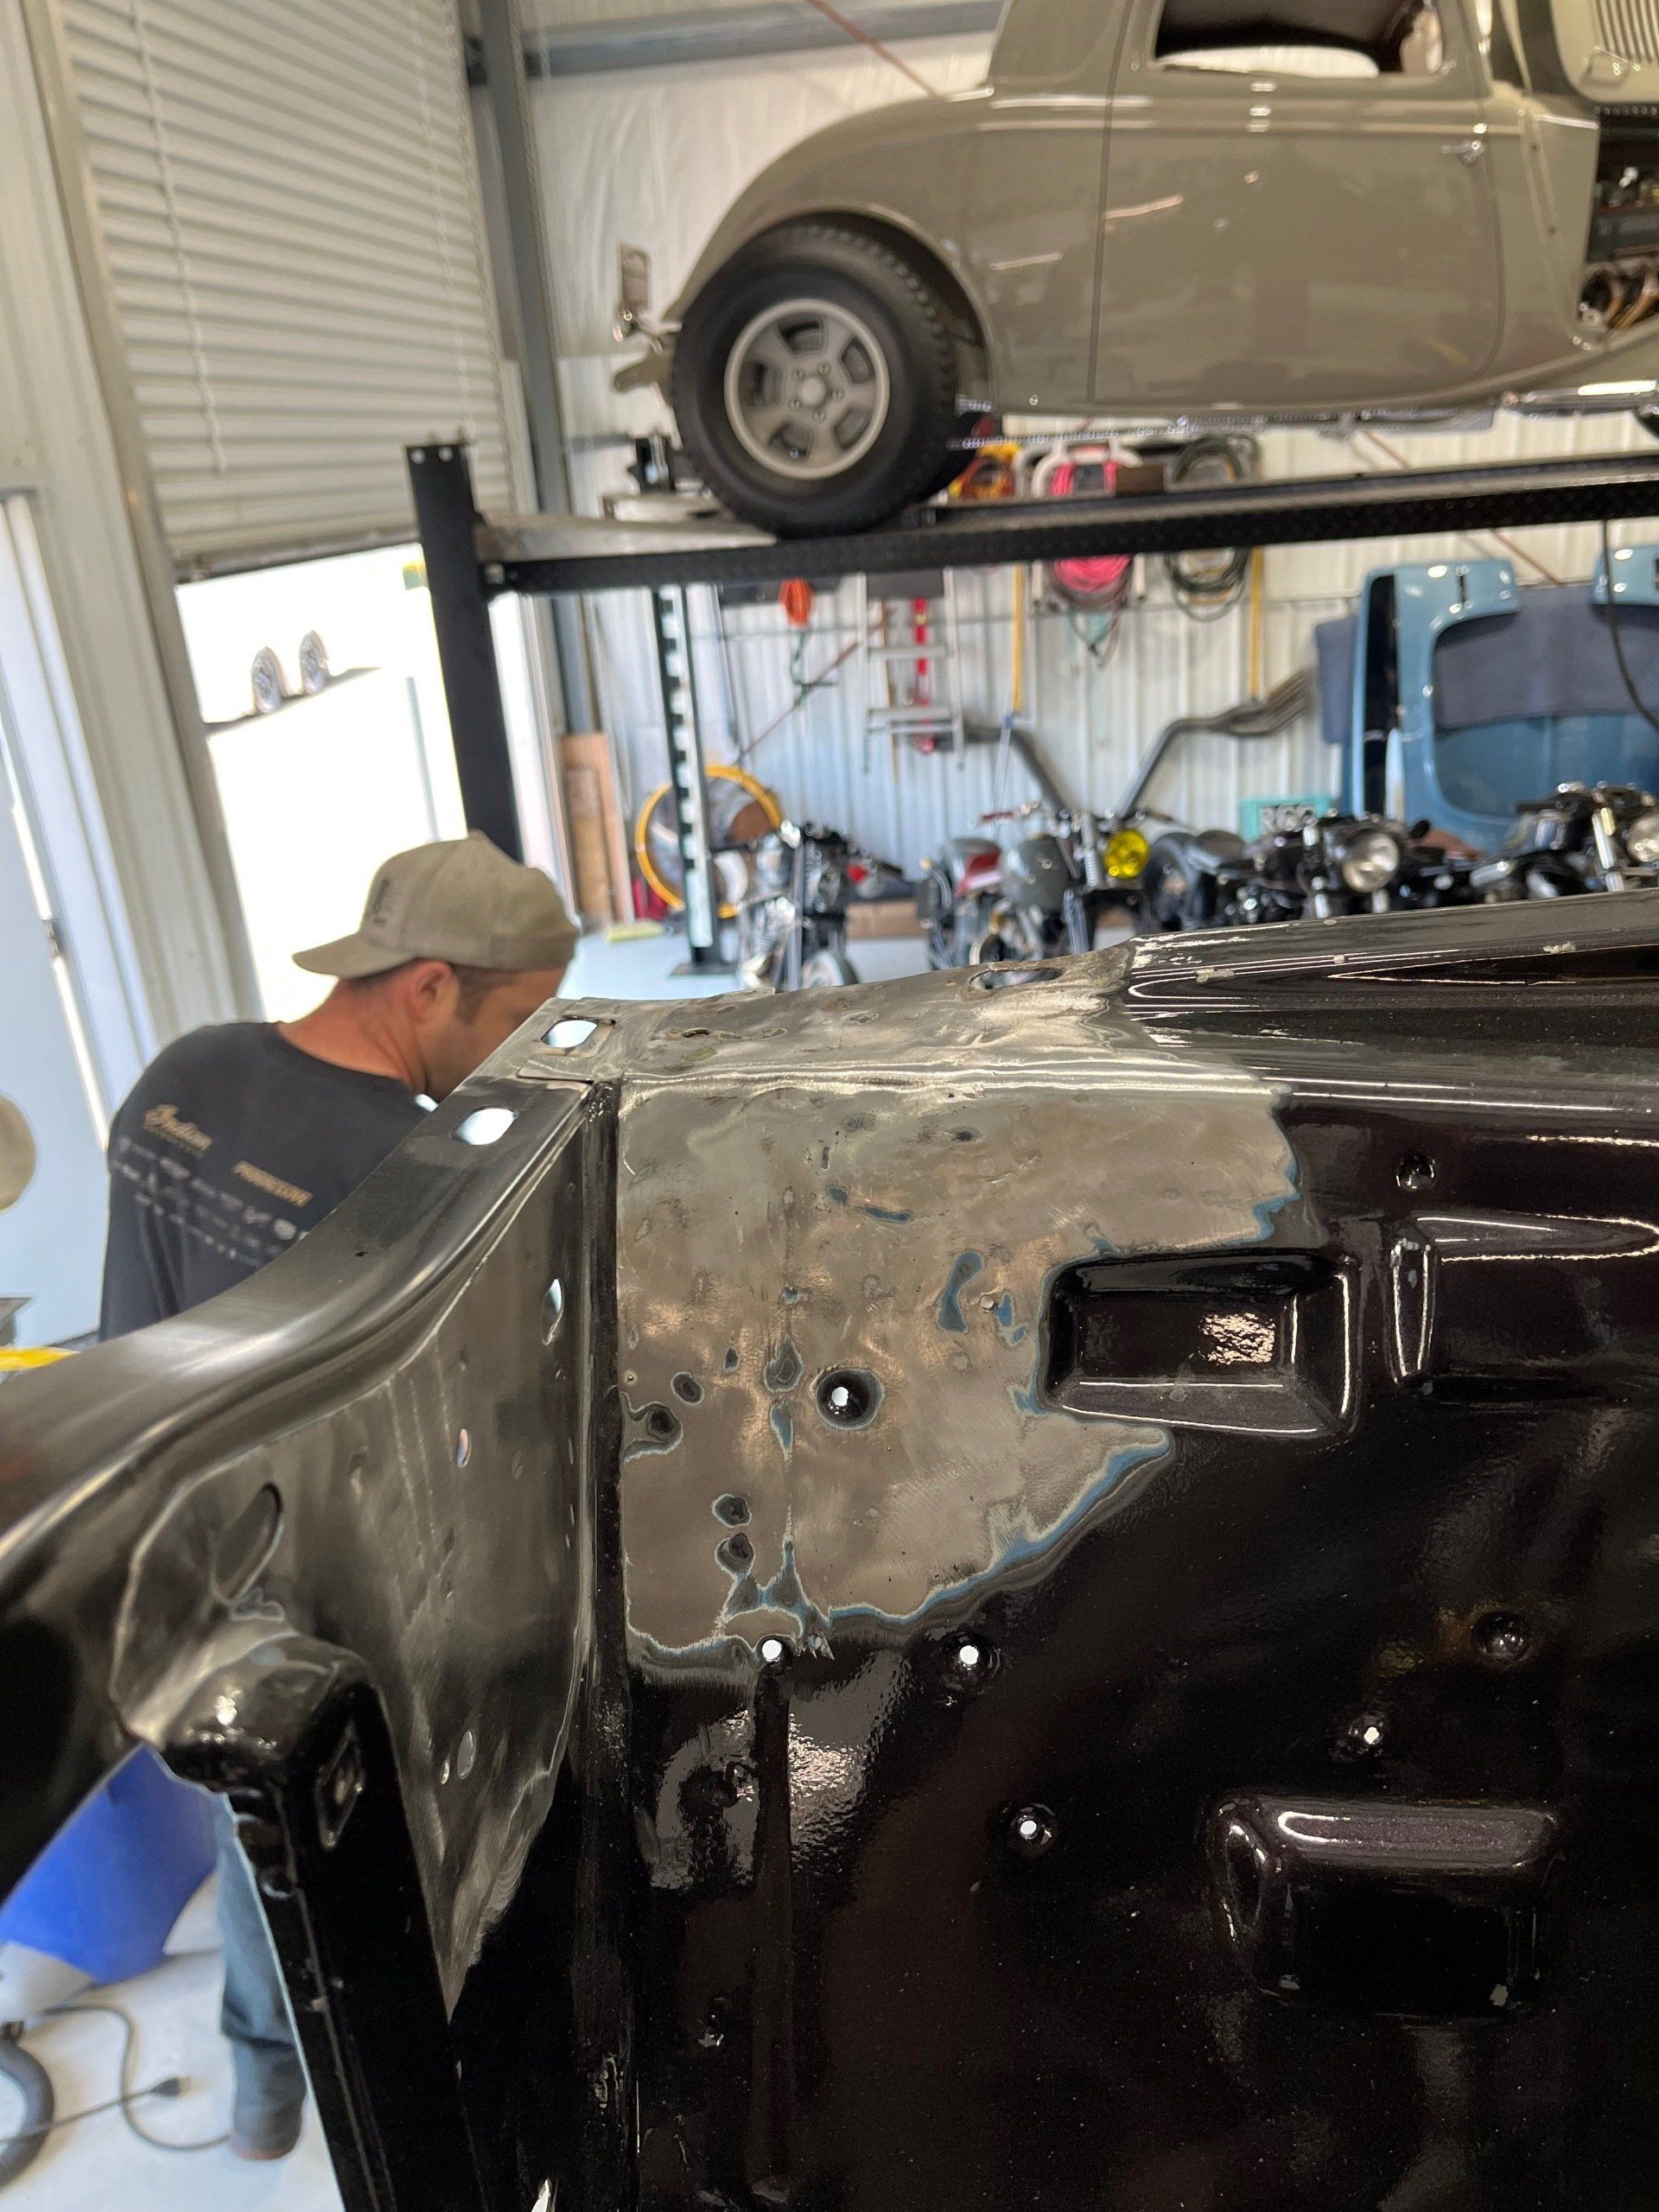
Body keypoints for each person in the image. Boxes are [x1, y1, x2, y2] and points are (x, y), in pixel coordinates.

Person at [99, 830, 575, 2158]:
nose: (520, 1053)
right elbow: (476, 1429)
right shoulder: (415, 1176)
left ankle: (262, 2080)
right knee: (354, 1838)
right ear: (430, 987)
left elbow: (131, 1317)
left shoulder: (183, 1073)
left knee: (253, 1824)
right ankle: (385, 2091)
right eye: (519, 1017)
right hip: (319, 1584)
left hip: (158, 1539)